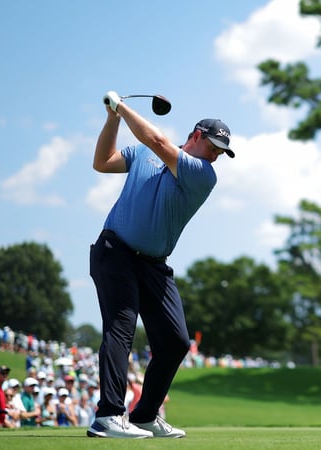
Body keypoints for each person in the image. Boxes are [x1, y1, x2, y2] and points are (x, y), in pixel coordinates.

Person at [86, 91, 234, 439]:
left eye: (221, 152)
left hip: (154, 265)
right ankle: (108, 416)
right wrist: (113, 120)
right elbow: (103, 162)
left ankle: (145, 415)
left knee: (176, 341)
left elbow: (155, 138)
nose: (216, 156)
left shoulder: (202, 174)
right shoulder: (143, 155)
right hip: (116, 252)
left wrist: (120, 105)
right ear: (196, 135)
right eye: (213, 146)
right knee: (121, 327)